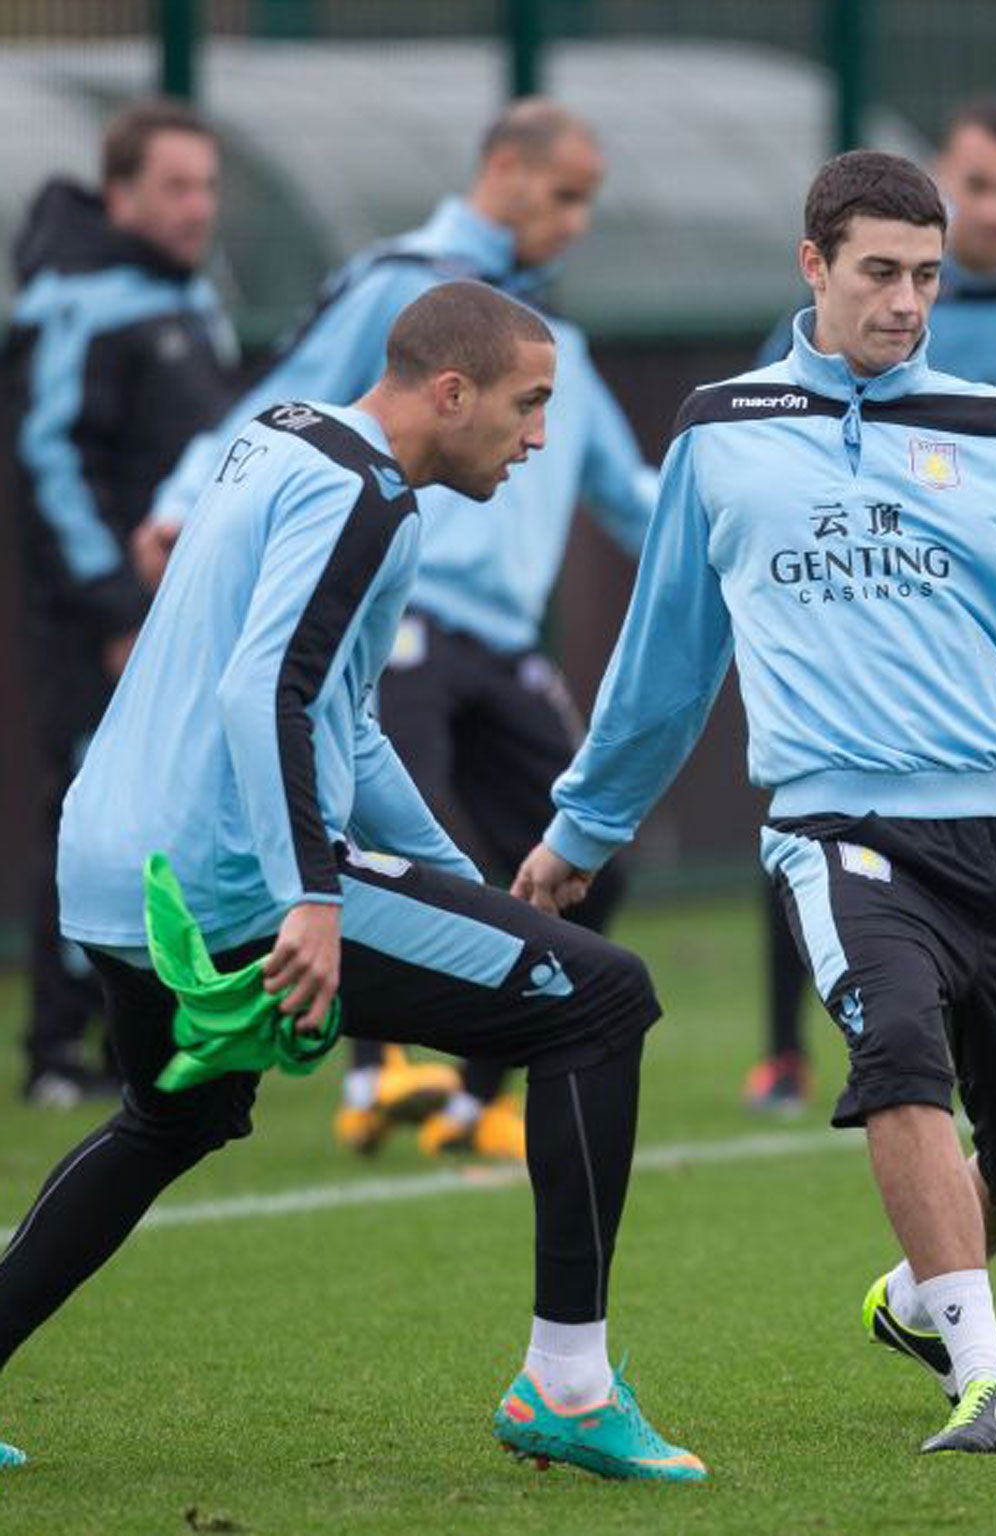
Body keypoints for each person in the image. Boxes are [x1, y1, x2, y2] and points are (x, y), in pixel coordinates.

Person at [515, 149, 996, 1454]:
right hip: (834, 828)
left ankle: (921, 1300)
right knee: (898, 1054)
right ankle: (988, 1377)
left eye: (926, 276)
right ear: (813, 266)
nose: (907, 302)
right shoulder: (722, 434)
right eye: (879, 273)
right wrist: (584, 830)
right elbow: (665, 662)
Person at [0, 282, 700, 1480]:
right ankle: (569, 1388)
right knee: (600, 1000)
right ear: (449, 392)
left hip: (115, 866)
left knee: (171, 1119)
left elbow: (346, 724)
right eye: (527, 407)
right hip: (232, 882)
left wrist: (454, 880)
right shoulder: (366, 498)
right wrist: (311, 898)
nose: (538, 438)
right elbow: (260, 691)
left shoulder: (278, 433)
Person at [145, 99, 657, 1162]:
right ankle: (384, 1071)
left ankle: (482, 1089)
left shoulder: (552, 338)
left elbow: (622, 488)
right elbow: (285, 397)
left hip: (504, 636)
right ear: (504, 173)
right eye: (565, 196)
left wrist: (739, 538)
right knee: (377, 828)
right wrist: (181, 498)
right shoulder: (401, 282)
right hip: (398, 620)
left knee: (575, 847)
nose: (576, 222)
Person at [744, 94, 996, 1115]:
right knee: (814, 805)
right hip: (871, 574)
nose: (991, 209)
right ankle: (783, 1052)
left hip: (994, 580)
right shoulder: (862, 279)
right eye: (974, 186)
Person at [3, 100, 237, 1107]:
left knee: (176, 824)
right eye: (177, 187)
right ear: (121, 193)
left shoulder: (186, 296)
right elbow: (49, 460)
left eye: (209, 187)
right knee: (91, 815)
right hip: (106, 626)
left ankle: (137, 1044)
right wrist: (112, 610)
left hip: (182, 616)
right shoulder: (72, 300)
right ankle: (58, 1049)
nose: (198, 208)